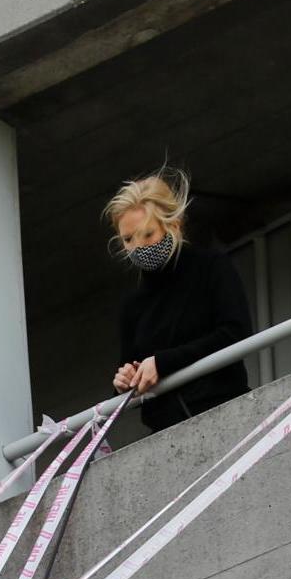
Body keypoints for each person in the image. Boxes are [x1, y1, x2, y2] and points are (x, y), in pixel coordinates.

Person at [106, 172, 255, 433]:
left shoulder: (211, 267)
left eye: (147, 234)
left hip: (226, 413)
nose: (138, 247)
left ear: (172, 224)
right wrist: (124, 381)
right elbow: (132, 368)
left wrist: (163, 362)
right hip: (165, 434)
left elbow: (235, 333)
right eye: (128, 239)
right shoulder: (133, 305)